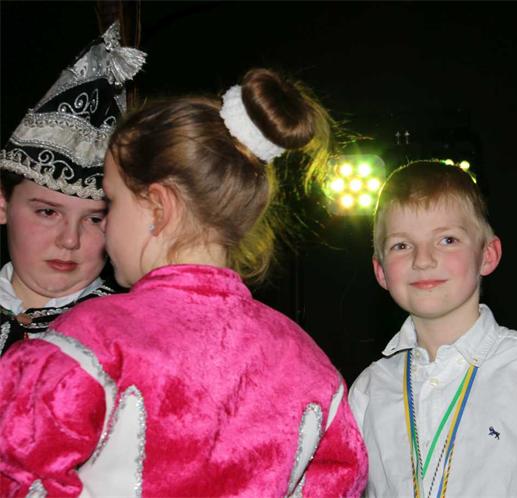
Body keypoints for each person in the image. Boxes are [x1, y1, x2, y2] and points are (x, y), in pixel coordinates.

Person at [0, 68, 367, 496]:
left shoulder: (95, 339)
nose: (106, 225)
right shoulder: (310, 367)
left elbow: (15, 467)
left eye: (111, 202)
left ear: (158, 209)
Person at [349, 160, 517, 497]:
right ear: (380, 271)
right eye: (401, 245)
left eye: (447, 240)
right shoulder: (368, 390)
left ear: (488, 255)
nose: (423, 259)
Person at [0, 23, 145, 355]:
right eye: (47, 212)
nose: (69, 241)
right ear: (2, 203)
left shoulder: (132, 337)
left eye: (94, 219)